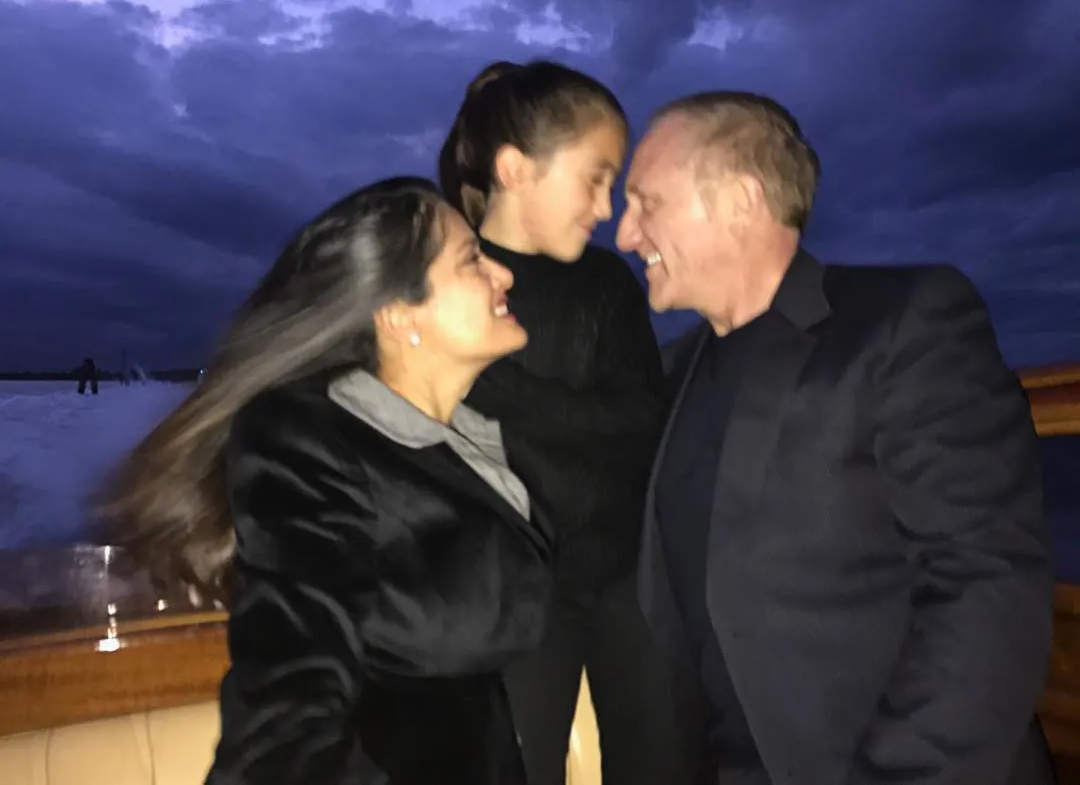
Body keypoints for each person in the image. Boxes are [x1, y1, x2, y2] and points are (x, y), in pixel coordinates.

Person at [616, 91, 1056, 785]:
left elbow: (986, 583)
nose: (625, 234)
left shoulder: (906, 322)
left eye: (647, 203)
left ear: (740, 201)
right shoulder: (669, 375)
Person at [96, 177, 555, 785]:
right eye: (472, 259)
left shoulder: (465, 445)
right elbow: (291, 684)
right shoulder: (308, 438)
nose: (504, 274)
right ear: (397, 313)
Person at [438, 61, 689, 785]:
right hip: (506, 591)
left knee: (666, 764)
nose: (608, 208)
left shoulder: (607, 284)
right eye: (596, 179)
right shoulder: (442, 283)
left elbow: (641, 422)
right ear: (515, 170)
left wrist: (500, 388)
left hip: (627, 578)